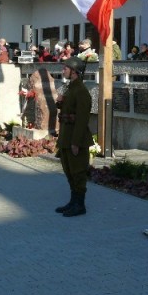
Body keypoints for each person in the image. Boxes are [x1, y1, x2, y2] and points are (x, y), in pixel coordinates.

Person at [55, 57, 94, 217]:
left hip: (75, 138)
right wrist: (60, 103)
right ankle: (73, 201)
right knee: (69, 171)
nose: (63, 70)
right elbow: (67, 110)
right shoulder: (70, 88)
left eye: (66, 68)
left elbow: (82, 119)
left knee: (78, 172)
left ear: (74, 71)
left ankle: (80, 205)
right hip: (66, 136)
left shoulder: (82, 91)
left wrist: (76, 142)